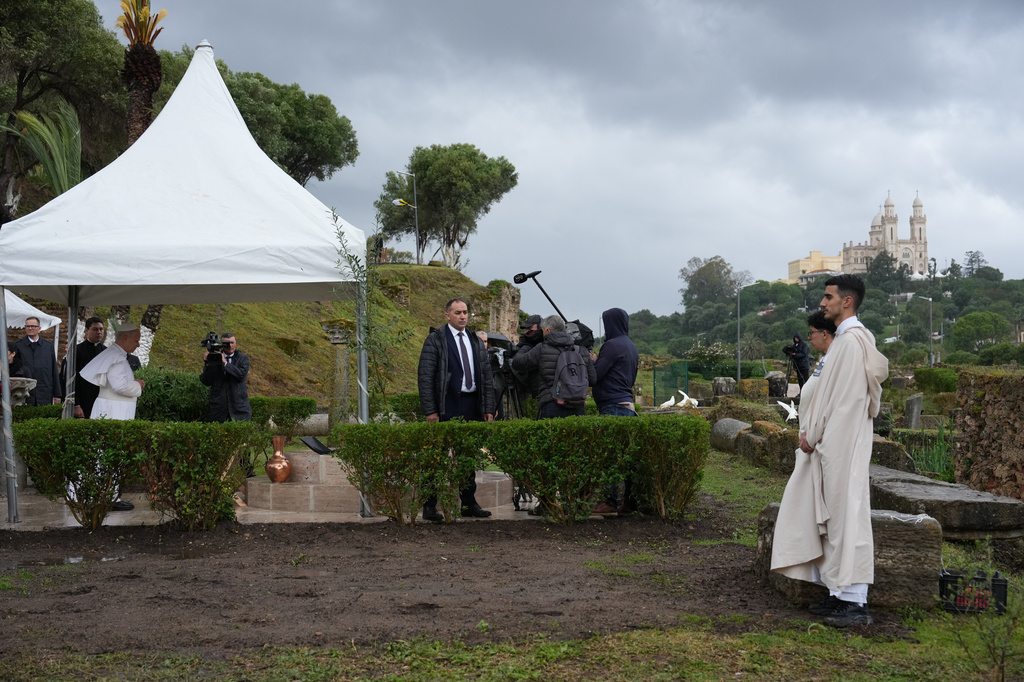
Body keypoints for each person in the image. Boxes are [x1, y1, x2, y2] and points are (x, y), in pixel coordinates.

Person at [771, 274, 888, 628]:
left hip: (840, 442)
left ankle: (854, 601)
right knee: (833, 516)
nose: (823, 303)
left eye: (828, 297)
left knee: (846, 514)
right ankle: (838, 593)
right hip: (828, 442)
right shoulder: (843, 342)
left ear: (846, 301)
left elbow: (845, 402)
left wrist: (815, 434)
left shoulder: (852, 343)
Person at [417, 298, 496, 521]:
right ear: (447, 316)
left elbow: (487, 377)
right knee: (436, 455)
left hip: (471, 404)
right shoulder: (435, 340)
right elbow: (425, 377)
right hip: (446, 404)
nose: (463, 316)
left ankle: (468, 503)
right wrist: (430, 410)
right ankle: (430, 505)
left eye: (465, 312)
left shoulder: (475, 340)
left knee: (467, 456)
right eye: (458, 312)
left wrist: (488, 407)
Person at [79, 323, 147, 511]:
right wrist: (138, 385)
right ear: (124, 338)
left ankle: (109, 494)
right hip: (113, 411)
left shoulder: (115, 354)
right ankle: (106, 496)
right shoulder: (116, 357)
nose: (138, 345)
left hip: (112, 409)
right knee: (108, 453)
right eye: (136, 340)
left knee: (109, 453)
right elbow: (120, 386)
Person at [590, 307, 640, 516]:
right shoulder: (631, 346)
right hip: (627, 404)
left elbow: (596, 376)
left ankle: (609, 501)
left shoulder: (611, 346)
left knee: (609, 455)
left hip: (612, 406)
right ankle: (629, 501)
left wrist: (592, 361)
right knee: (625, 456)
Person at [511, 314, 596, 419]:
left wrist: (526, 344)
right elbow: (592, 380)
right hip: (578, 406)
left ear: (548, 330)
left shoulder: (542, 349)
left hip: (551, 404)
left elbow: (517, 363)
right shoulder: (581, 350)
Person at [60, 316, 106, 418]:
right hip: (82, 403)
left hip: (102, 401)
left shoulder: (107, 352)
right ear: (86, 330)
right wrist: (76, 404)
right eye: (95, 329)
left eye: (101, 329)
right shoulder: (76, 351)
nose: (99, 332)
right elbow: (70, 379)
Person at [200, 333, 252, 422]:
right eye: (227, 343)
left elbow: (240, 376)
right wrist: (207, 363)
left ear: (235, 343)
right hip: (219, 408)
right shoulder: (214, 358)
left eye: (232, 343)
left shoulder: (243, 358)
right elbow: (206, 381)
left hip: (239, 407)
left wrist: (225, 363)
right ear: (221, 345)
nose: (230, 346)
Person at [14, 316, 62, 406]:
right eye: (28, 326)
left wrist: (57, 394)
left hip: (45, 392)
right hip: (25, 392)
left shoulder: (48, 346)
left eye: (33, 326)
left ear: (39, 328)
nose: (30, 328)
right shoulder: (18, 346)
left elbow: (54, 371)